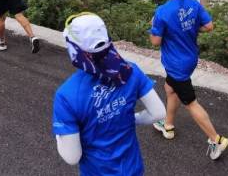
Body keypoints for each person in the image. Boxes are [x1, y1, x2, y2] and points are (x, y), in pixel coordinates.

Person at [53, 12, 166, 176]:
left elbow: (72, 157)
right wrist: (132, 118)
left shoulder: (66, 95)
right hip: (133, 169)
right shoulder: (130, 70)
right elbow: (158, 113)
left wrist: (59, 138)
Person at [149, 0, 228, 160]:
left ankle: (216, 140)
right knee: (170, 88)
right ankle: (167, 125)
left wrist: (151, 25)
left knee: (191, 103)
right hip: (190, 57)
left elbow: (155, 41)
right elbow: (209, 26)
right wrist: (189, 29)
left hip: (176, 64)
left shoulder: (162, 12)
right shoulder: (193, 3)